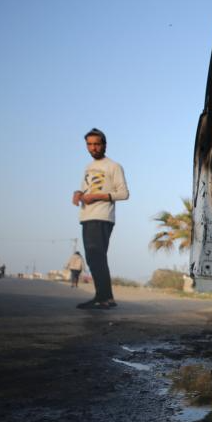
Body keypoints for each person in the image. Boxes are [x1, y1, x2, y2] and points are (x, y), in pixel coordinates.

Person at [72, 128, 129, 309]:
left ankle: (103, 298)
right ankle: (105, 297)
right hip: (87, 216)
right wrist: (78, 193)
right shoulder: (88, 167)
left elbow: (124, 194)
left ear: (104, 145)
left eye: (97, 144)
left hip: (102, 217)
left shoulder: (114, 166)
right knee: (94, 258)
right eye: (89, 144)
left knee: (96, 257)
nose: (93, 148)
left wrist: (97, 197)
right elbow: (86, 189)